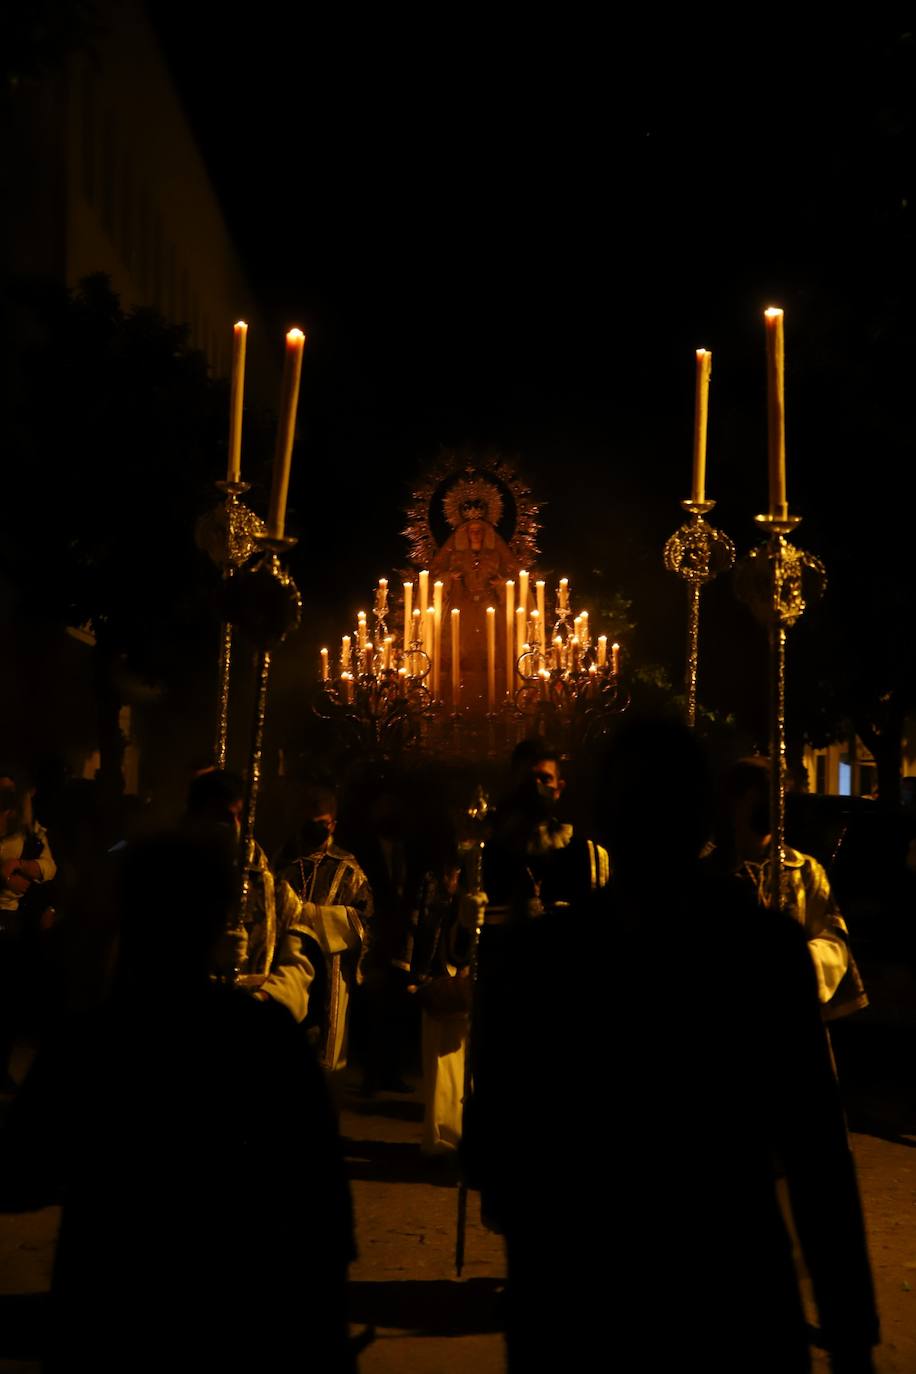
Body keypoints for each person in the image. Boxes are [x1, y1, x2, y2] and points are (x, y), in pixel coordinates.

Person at [466, 716, 879, 1373]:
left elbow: (502, 1156)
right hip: (717, 1302)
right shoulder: (759, 951)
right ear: (707, 817)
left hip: (607, 1305)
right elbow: (818, 1157)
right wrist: (852, 1331)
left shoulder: (545, 960)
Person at [0, 830, 355, 1372]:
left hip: (128, 1320)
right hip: (211, 1320)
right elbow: (323, 1217)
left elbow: (23, 1172)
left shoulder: (94, 1043)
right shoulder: (264, 1041)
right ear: (215, 924)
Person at [709, 757, 868, 1021]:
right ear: (735, 801)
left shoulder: (804, 870)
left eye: (781, 794)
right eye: (765, 793)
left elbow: (833, 942)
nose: (777, 803)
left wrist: (793, 965)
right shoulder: (709, 873)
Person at [184, 769, 317, 1023]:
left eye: (240, 817)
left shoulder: (272, 887)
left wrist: (266, 997)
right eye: (224, 817)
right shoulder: (165, 884)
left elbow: (298, 964)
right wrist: (206, 958)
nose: (235, 827)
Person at [274, 785, 372, 1073]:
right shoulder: (285, 861)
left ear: (333, 825)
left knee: (324, 1060)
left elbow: (364, 919)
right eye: (310, 823)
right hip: (286, 963)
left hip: (331, 967)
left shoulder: (348, 869)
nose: (315, 829)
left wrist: (313, 916)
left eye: (322, 823)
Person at [482, 738, 609, 921]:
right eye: (527, 779)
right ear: (514, 785)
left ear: (559, 788)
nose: (536, 787)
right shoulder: (488, 857)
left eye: (545, 778)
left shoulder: (588, 856)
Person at [0, 770, 57, 1092]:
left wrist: (23, 867)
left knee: (8, 1002)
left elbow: (49, 866)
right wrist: (5, 876)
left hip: (12, 923)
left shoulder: (29, 830)